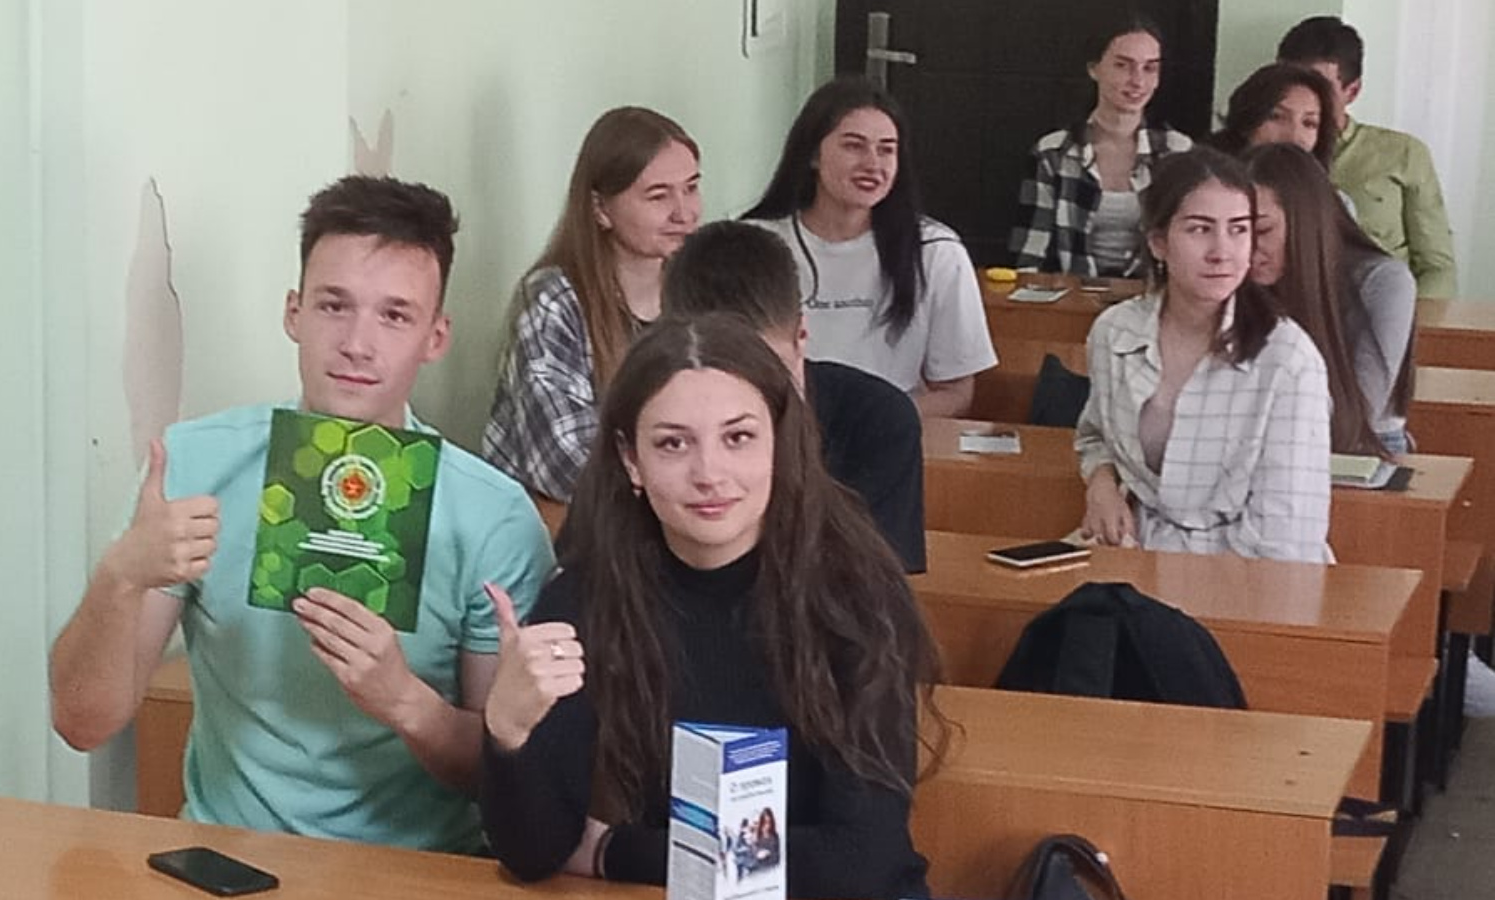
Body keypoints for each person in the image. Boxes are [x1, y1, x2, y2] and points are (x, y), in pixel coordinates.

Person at [49, 176, 555, 851]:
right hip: (229, 860)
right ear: (293, 312)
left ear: (436, 337)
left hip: (418, 869)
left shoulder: (493, 516)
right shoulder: (193, 466)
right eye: (333, 306)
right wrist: (120, 577)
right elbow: (81, 723)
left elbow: (513, 783)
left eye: (395, 316)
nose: (357, 343)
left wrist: (403, 699)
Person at [478, 315, 946, 899]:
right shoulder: (584, 598)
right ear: (631, 460)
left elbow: (862, 860)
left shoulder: (857, 596)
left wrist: (616, 851)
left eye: (738, 438)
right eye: (673, 444)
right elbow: (536, 854)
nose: (709, 474)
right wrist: (508, 729)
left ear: (778, 443)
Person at [1075, 147, 1332, 563]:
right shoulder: (1114, 332)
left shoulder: (1288, 359)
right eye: (1200, 229)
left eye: (1239, 229)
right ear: (1159, 242)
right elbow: (1094, 435)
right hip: (1134, 554)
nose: (1222, 251)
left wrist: (1168, 578)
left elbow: (1287, 538)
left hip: (1246, 574)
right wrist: (1101, 483)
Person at [661, 220, 926, 572]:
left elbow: (875, 584)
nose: (748, 403)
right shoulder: (648, 425)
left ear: (801, 336)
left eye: (767, 372)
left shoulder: (877, 419)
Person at [484, 107, 701, 501]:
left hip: (670, 506)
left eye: (690, 188)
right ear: (601, 209)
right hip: (568, 521)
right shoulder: (553, 299)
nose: (683, 213)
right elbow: (562, 461)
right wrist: (682, 486)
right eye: (658, 196)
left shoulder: (701, 289)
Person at [745, 77, 996, 418]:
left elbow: (956, 392)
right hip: (779, 430)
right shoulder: (755, 246)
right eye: (854, 146)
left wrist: (873, 424)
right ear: (813, 154)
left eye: (887, 149)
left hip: (889, 432)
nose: (873, 164)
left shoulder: (937, 251)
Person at [1244, 143, 1416, 455]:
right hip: (1263, 445)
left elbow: (1359, 416)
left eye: (1263, 230)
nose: (1247, 248)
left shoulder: (1384, 282)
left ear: (1305, 221)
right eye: (1239, 230)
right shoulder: (1236, 275)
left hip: (1365, 446)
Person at [1278, 16, 1458, 297]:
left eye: (1319, 88)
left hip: (1379, 305)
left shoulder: (1403, 153)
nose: (1303, 97)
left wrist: (1410, 320)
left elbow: (1437, 268)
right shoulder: (1259, 153)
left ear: (1352, 91)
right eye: (1290, 83)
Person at [1010, 13, 1194, 277]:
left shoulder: (1178, 152)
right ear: (1093, 68)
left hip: (1153, 293)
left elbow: (1189, 246)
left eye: (1150, 68)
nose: (1137, 81)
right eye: (1122, 66)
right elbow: (1031, 253)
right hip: (1075, 292)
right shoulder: (1053, 152)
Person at [1211, 63, 1340, 168]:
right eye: (1276, 116)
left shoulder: (1326, 193)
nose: (1293, 136)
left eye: (1309, 123)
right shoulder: (1208, 183)